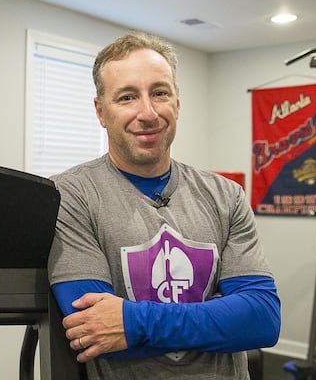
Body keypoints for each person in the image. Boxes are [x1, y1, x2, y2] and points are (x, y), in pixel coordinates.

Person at [47, 32, 281, 379]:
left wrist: (130, 320)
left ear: (177, 103)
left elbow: (261, 320)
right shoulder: (70, 196)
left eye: (160, 93)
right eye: (127, 97)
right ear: (101, 111)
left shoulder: (226, 195)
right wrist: (219, 316)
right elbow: (91, 329)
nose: (148, 112)